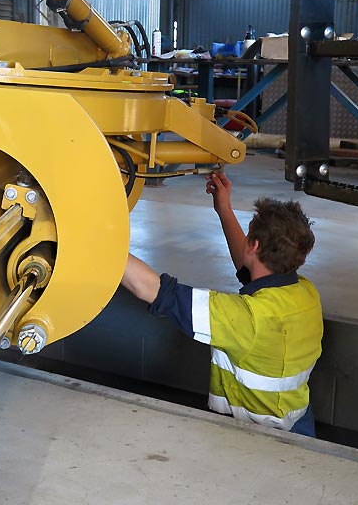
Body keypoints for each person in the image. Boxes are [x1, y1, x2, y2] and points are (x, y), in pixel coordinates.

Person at [121, 171, 323, 437]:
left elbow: (154, 290)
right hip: (299, 425)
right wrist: (223, 209)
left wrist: (98, 242)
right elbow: (250, 266)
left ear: (255, 245)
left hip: (255, 437)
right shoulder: (305, 294)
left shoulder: (246, 319)